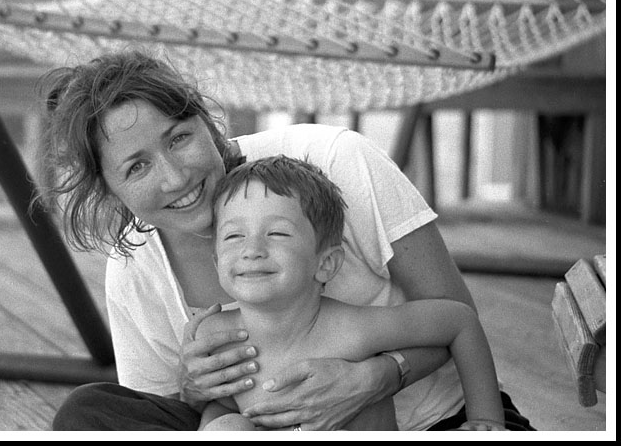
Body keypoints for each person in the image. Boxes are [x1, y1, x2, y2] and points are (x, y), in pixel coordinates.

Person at [41, 49, 534, 431]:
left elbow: (452, 314)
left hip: (434, 421)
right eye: (137, 166)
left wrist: (377, 377)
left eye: (178, 138)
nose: (175, 177)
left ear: (206, 123)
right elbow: (171, 409)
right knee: (89, 414)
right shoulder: (135, 270)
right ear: (110, 190)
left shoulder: (333, 161)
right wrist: (193, 390)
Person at [197, 155, 505, 431]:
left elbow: (460, 321)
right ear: (215, 262)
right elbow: (227, 401)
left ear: (326, 264)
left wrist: (486, 418)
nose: (252, 250)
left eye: (277, 233)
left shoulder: (352, 330)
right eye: (234, 236)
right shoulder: (217, 337)